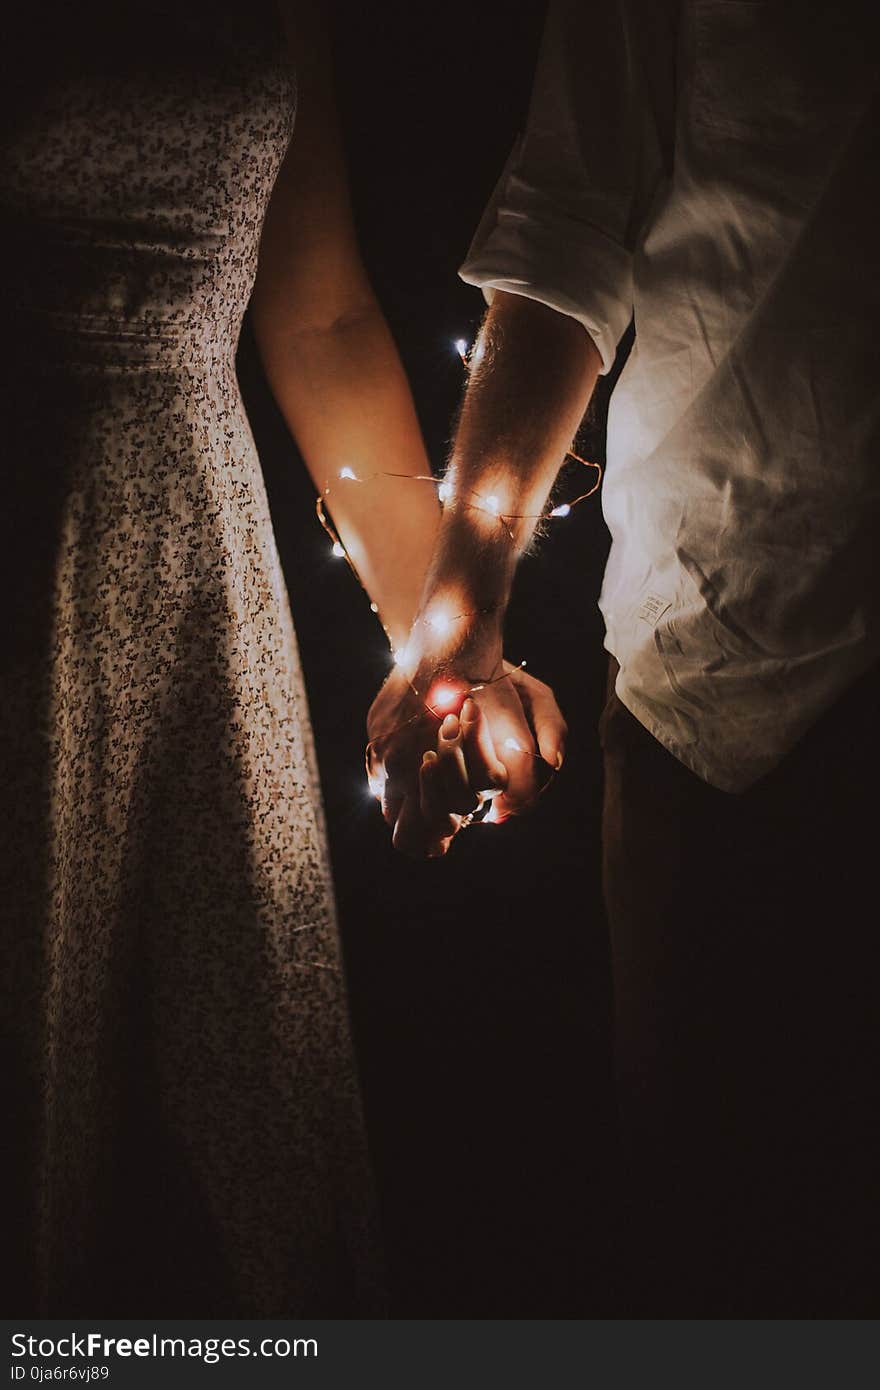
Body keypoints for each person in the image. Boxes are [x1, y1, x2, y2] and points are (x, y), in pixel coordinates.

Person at [370, 0, 880, 1313]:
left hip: (725, 681)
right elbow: (569, 214)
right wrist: (463, 597)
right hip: (727, 704)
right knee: (722, 1268)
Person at [0, 0, 448, 1315]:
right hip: (27, 554)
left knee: (235, 1134)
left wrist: (442, 638)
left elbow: (317, 313)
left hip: (206, 580)